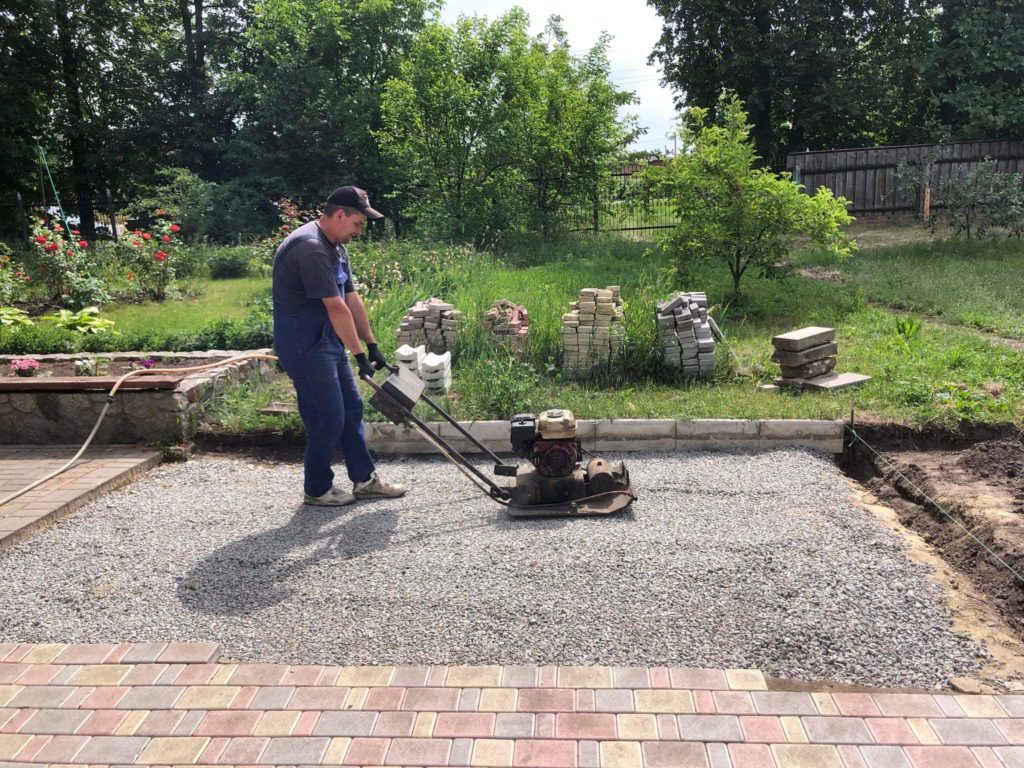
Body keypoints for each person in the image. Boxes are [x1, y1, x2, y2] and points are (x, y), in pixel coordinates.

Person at [271, 185, 406, 506]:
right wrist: (357, 353)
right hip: (303, 344)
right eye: (358, 223)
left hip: (326, 340)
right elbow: (335, 308)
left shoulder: (335, 245)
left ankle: (364, 481)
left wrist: (371, 346)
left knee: (351, 409)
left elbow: (351, 299)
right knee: (327, 417)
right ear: (341, 214)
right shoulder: (311, 248)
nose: (360, 231)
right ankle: (316, 489)